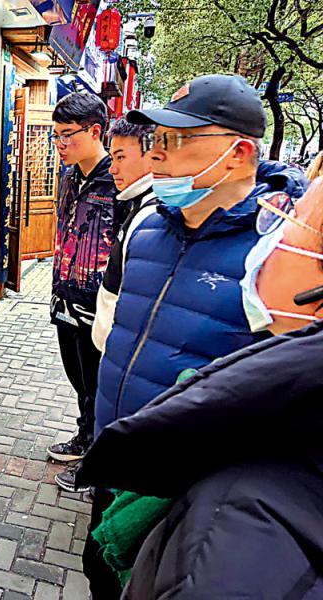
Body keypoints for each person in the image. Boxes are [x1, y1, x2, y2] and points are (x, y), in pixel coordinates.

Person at [69, 74, 308, 599]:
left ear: (239, 153)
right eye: (156, 138)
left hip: (185, 489)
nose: (156, 153)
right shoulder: (144, 227)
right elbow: (113, 328)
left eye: (178, 139)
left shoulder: (278, 252)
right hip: (118, 457)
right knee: (99, 573)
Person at [48, 93, 126, 466]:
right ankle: (85, 437)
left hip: (99, 303)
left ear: (95, 131)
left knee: (98, 382)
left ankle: (96, 456)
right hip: (65, 294)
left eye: (67, 134)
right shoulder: (68, 177)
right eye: (56, 135)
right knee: (77, 377)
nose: (59, 144)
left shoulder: (118, 181)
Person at [91, 119, 158, 354]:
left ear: (153, 155)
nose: (113, 169)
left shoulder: (152, 217)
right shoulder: (138, 204)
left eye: (120, 157)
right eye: (112, 158)